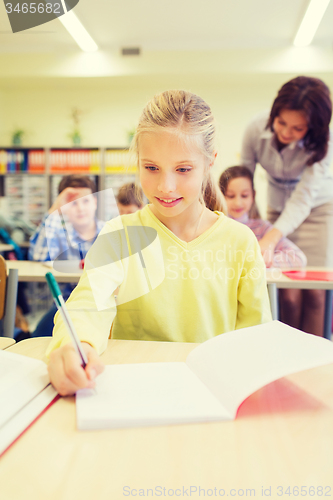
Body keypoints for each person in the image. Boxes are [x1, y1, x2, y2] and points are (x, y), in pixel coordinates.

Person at [46, 90, 272, 396]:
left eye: (183, 169)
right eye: (151, 168)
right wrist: (75, 346)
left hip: (213, 391)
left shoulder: (239, 241)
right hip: (133, 390)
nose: (165, 187)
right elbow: (88, 304)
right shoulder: (120, 234)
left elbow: (255, 338)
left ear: (209, 163)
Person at [241, 76, 333, 336]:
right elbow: (243, 179)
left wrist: (270, 238)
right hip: (276, 209)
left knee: (315, 293)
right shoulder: (255, 128)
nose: (285, 132)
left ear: (313, 128)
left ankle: (314, 364)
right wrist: (249, 223)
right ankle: (285, 353)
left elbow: (303, 198)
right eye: (281, 122)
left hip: (318, 211)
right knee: (285, 292)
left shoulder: (324, 143)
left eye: (297, 129)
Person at [29, 174, 105, 337]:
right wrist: (55, 211)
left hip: (105, 304)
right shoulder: (58, 233)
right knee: (41, 334)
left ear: (95, 202)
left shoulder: (110, 231)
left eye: (86, 200)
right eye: (73, 203)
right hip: (64, 305)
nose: (80, 208)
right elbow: (37, 258)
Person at [219, 166, 307, 268]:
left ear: (253, 195)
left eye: (244, 195)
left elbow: (299, 258)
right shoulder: (215, 226)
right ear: (220, 195)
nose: (238, 203)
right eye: (230, 196)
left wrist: (263, 261)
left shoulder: (262, 228)